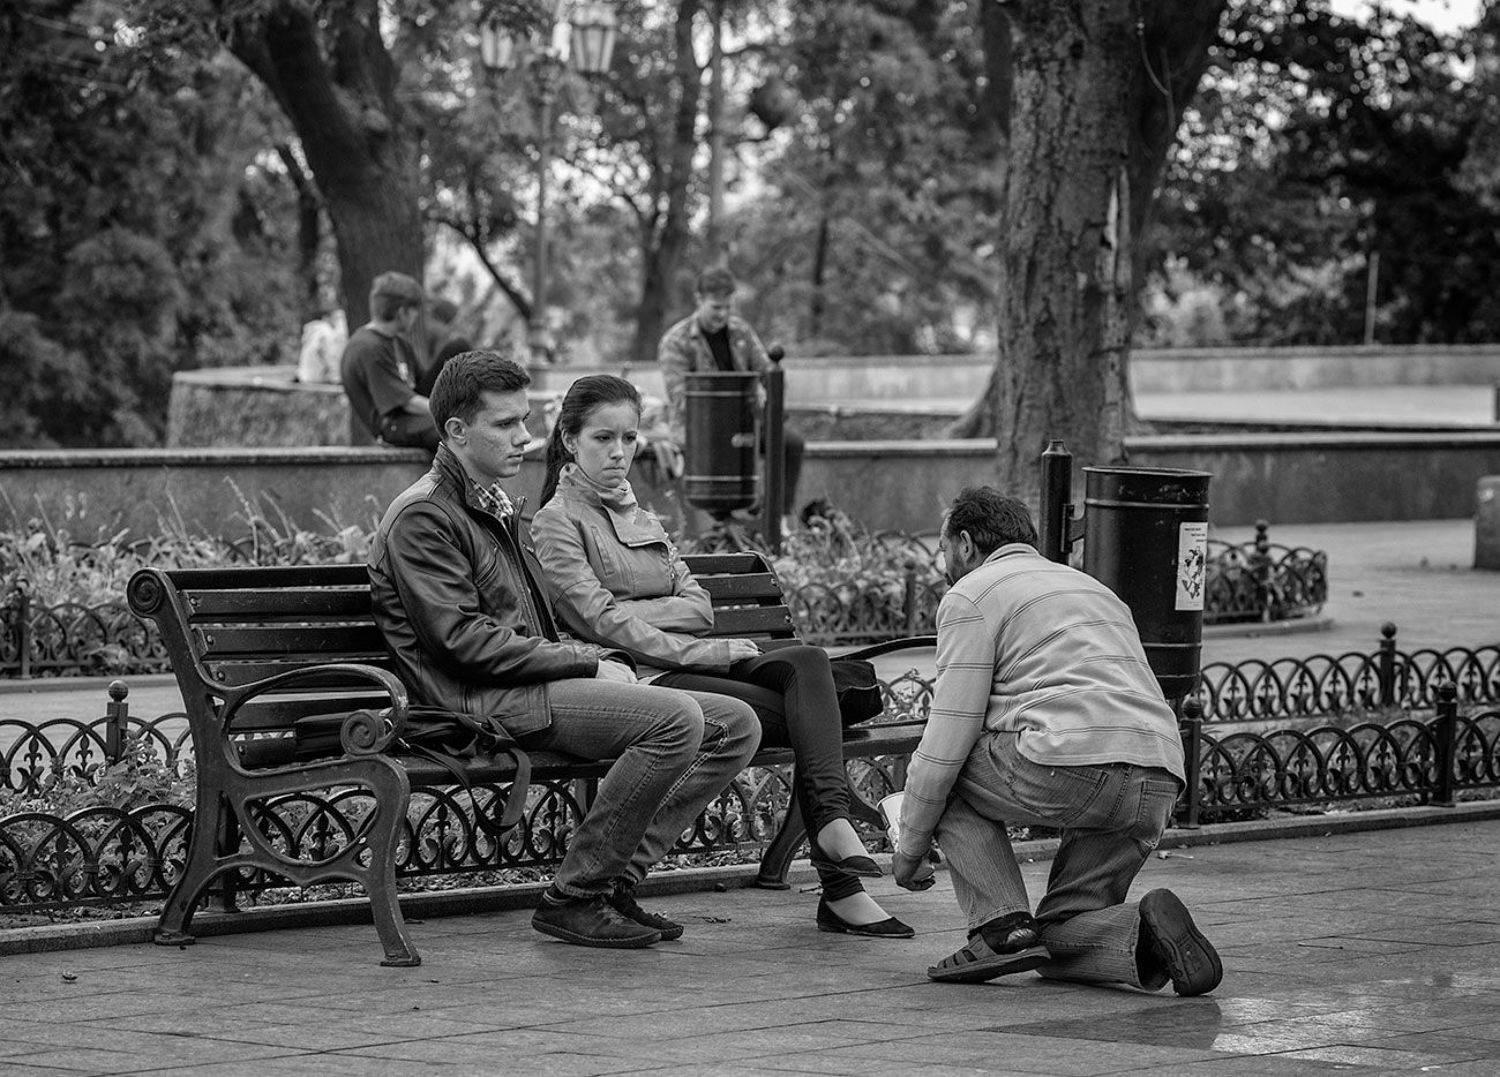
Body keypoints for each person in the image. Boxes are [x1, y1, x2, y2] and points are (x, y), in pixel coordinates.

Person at [367, 350, 760, 949]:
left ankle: (612, 882)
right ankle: (576, 897)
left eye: (525, 420)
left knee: (735, 723)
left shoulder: (488, 503)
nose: (524, 438)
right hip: (477, 701)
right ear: (455, 431)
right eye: (504, 424)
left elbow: (529, 626)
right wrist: (587, 661)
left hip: (526, 684)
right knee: (678, 720)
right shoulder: (426, 516)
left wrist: (593, 660)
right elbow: (461, 643)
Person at [530, 374, 911, 938]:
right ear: (568, 439)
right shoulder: (556, 521)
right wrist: (685, 638)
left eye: (629, 439)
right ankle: (841, 886)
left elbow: (699, 606)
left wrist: (641, 612)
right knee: (793, 714)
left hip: (692, 658)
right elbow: (599, 622)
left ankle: (830, 823)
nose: (619, 453)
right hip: (648, 677)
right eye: (602, 439)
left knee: (806, 663)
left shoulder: (641, 515)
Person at [892, 487, 1222, 996]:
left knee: (943, 777)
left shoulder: (972, 594)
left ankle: (1001, 927)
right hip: (1158, 773)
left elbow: (946, 741)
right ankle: (1142, 934)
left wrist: (908, 852)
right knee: (1062, 932)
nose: (943, 564)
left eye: (942, 550)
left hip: (1070, 764)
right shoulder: (1094, 588)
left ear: (963, 543)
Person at [657, 266, 804, 521]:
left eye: (727, 307)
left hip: (744, 423)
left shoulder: (741, 332)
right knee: (727, 452)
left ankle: (777, 518)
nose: (723, 315)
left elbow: (767, 370)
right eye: (716, 308)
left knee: (790, 442)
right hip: (700, 429)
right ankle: (729, 521)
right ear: (699, 300)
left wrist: (772, 406)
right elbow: (681, 399)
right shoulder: (675, 342)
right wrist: (726, 416)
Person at [340, 272, 440, 452]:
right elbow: (407, 402)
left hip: (413, 412)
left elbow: (424, 382)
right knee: (454, 431)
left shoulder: (399, 342)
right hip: (394, 425)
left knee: (458, 347)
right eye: (414, 310)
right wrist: (452, 413)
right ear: (402, 312)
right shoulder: (367, 348)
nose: (416, 317)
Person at [415, 296, 474, 398]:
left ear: (441, 321)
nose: (427, 325)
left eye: (431, 320)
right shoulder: (436, 341)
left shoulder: (456, 346)